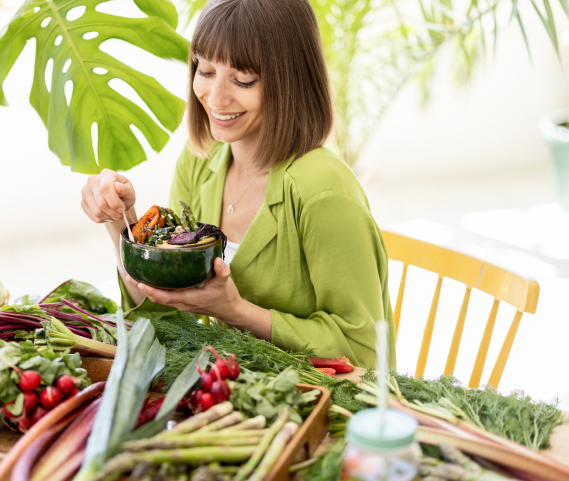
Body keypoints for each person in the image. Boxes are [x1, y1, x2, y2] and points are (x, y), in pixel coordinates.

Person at [79, 0, 395, 368]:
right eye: (206, 70)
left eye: (243, 79)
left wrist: (236, 311)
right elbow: (162, 313)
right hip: (226, 389)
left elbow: (365, 352)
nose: (215, 98)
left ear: (290, 81)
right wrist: (122, 222)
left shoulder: (323, 191)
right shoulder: (200, 161)